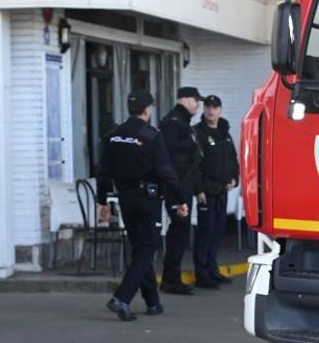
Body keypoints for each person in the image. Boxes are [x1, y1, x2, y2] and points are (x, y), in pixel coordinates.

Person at [96, 91, 188, 321]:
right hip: (148, 199)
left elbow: (103, 171)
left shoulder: (114, 134)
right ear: (148, 109)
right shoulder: (151, 136)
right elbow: (166, 171)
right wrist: (180, 199)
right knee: (147, 249)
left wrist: (102, 201)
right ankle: (122, 298)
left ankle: (153, 302)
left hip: (125, 199)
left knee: (140, 250)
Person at [159, 86, 203, 294]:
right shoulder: (174, 124)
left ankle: (172, 278)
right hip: (176, 187)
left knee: (181, 233)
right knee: (178, 233)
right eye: (196, 100)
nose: (198, 105)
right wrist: (177, 191)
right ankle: (170, 279)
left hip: (182, 185)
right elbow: (171, 161)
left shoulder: (182, 122)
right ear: (184, 100)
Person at [192, 95, 238, 286]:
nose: (211, 111)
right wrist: (199, 189)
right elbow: (195, 164)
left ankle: (213, 269)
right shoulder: (198, 133)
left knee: (217, 232)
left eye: (215, 107)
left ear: (220, 110)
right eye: (208, 107)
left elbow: (232, 159)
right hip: (207, 192)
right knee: (205, 233)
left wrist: (234, 179)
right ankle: (202, 275)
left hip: (222, 190)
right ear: (204, 110)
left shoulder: (224, 133)